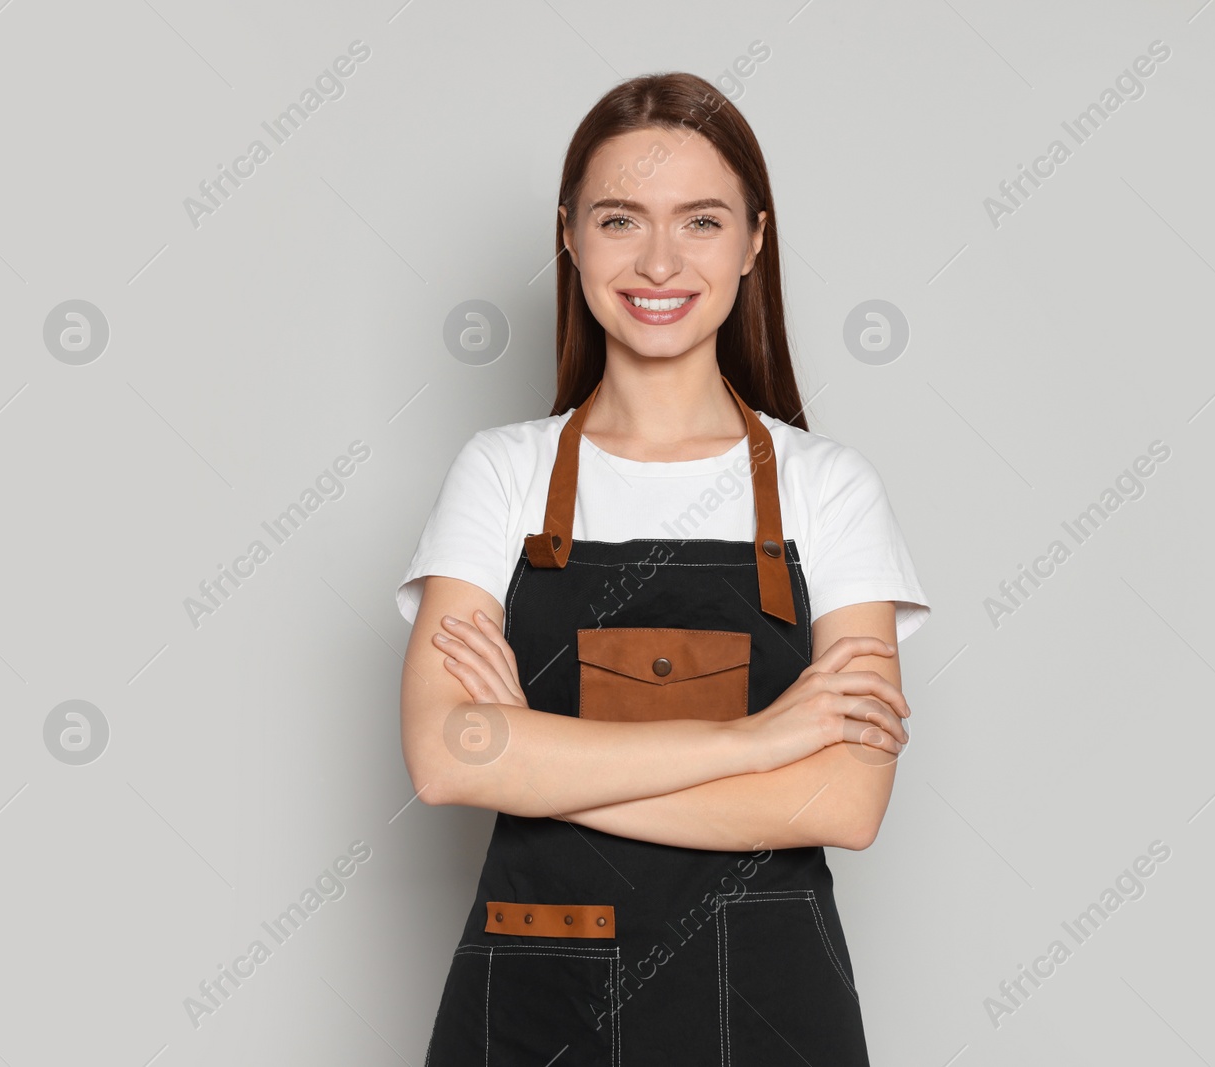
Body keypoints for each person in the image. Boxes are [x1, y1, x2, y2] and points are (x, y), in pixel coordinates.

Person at [396, 71, 930, 1066]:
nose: (657, 260)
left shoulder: (832, 490)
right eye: (617, 220)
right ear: (569, 235)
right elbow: (441, 757)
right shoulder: (499, 474)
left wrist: (528, 759)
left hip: (767, 1005)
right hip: (532, 996)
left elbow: (846, 802)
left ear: (753, 241)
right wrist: (761, 739)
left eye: (699, 221)